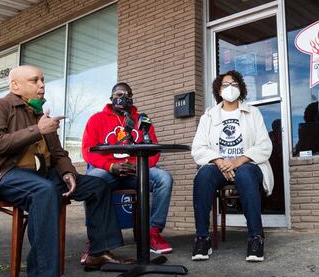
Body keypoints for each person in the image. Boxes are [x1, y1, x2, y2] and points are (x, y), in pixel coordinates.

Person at [0, 65, 133, 277]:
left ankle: (98, 253)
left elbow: (59, 153)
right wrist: (36, 130)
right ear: (15, 86)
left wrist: (68, 173)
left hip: (42, 174)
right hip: (4, 175)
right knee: (44, 191)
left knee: (98, 185)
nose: (42, 85)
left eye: (42, 80)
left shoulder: (40, 115)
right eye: (34, 80)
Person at [82, 82, 174, 254]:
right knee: (92, 181)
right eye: (118, 94)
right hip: (109, 171)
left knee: (164, 178)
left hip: (136, 170)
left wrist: (140, 166)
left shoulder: (142, 120)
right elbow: (88, 151)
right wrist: (111, 166)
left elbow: (153, 150)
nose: (122, 97)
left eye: (127, 94)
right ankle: (96, 239)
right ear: (111, 98)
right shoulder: (96, 119)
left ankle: (152, 233)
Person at [191, 70, 273, 262]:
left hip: (248, 165)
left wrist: (237, 162)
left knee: (244, 174)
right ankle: (202, 238)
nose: (230, 88)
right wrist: (221, 163)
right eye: (225, 84)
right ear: (218, 90)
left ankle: (255, 238)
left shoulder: (253, 113)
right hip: (219, 167)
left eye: (234, 84)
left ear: (241, 88)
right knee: (203, 176)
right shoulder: (209, 116)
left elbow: (264, 146)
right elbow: (198, 149)